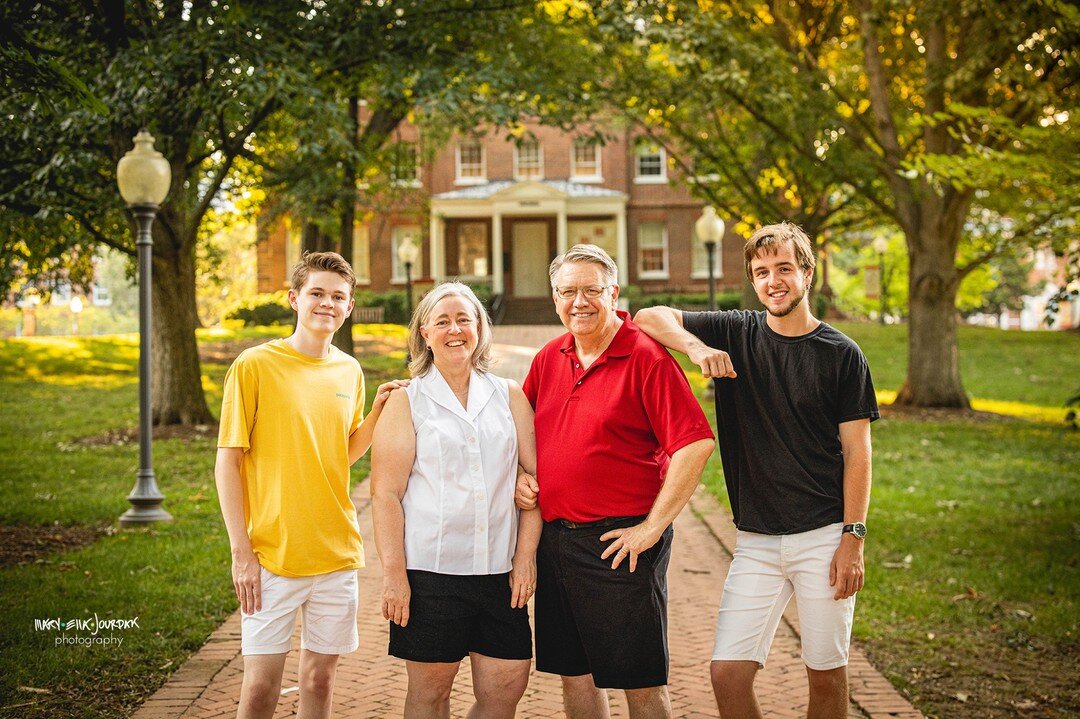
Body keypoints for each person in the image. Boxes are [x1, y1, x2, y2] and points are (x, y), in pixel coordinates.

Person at [634, 222, 878, 719]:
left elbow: (858, 453)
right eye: (762, 272)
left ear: (807, 273)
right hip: (757, 540)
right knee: (727, 674)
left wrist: (852, 539)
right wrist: (696, 349)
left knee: (826, 674)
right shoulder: (735, 330)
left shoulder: (842, 355)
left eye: (784, 268)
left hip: (824, 535)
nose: (773, 281)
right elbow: (647, 315)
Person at [515, 244, 716, 719]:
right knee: (576, 674)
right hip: (556, 541)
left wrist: (651, 529)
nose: (578, 301)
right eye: (567, 292)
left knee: (639, 683)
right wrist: (521, 475)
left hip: (619, 543)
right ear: (554, 297)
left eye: (591, 290)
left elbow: (695, 444)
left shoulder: (645, 357)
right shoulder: (550, 356)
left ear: (614, 293)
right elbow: (518, 432)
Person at [215, 251, 405, 719]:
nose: (327, 303)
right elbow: (228, 461)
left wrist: (377, 412)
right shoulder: (254, 365)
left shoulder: (349, 371)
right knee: (260, 688)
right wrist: (241, 551)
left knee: (319, 681)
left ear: (349, 306)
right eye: (317, 293)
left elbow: (341, 454)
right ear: (294, 299)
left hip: (335, 552)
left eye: (337, 296)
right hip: (272, 556)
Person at [370, 281, 541, 719]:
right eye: (442, 321)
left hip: (500, 574)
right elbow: (385, 495)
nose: (455, 329)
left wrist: (525, 558)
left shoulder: (510, 395)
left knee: (506, 690)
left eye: (465, 319)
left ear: (481, 328)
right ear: (425, 333)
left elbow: (536, 483)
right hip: (430, 575)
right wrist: (394, 576)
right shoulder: (406, 401)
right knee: (430, 697)